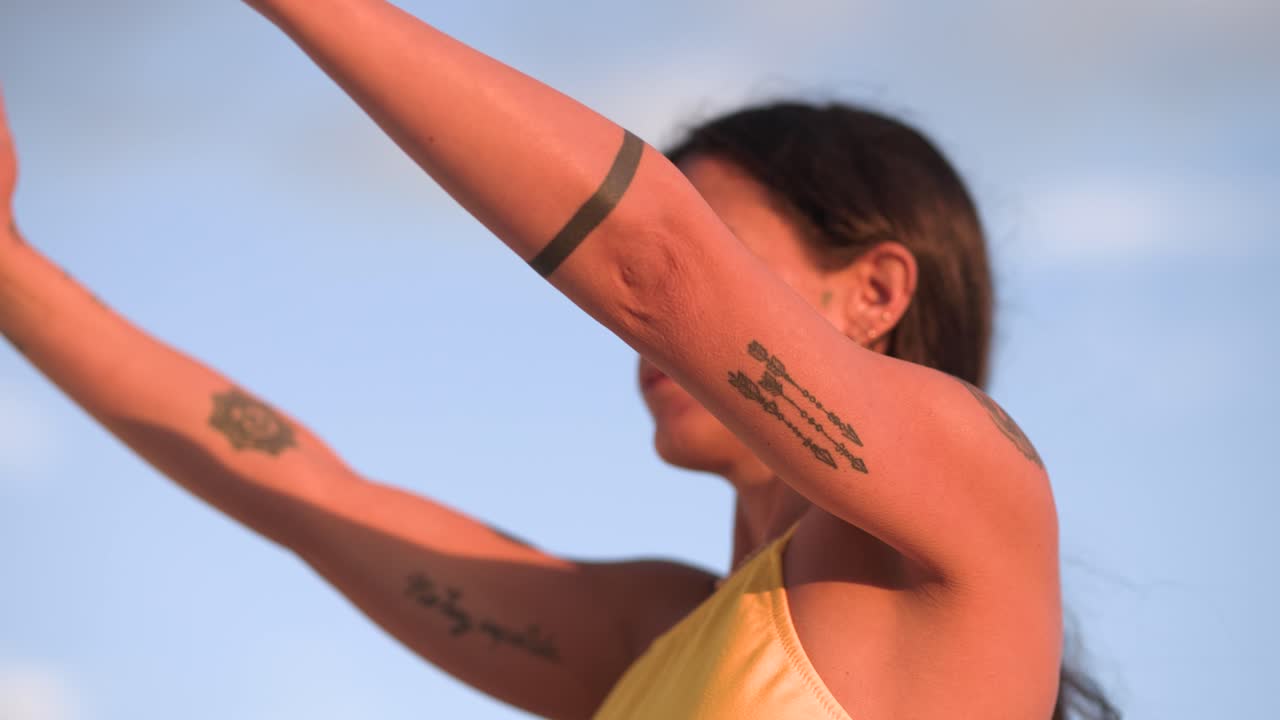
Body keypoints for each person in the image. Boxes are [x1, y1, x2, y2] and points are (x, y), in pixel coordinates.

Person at [0, 2, 1118, 718]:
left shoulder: (978, 492)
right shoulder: (642, 642)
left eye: (737, 255)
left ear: (872, 291)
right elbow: (305, 494)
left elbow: (652, 259)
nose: (656, 333)